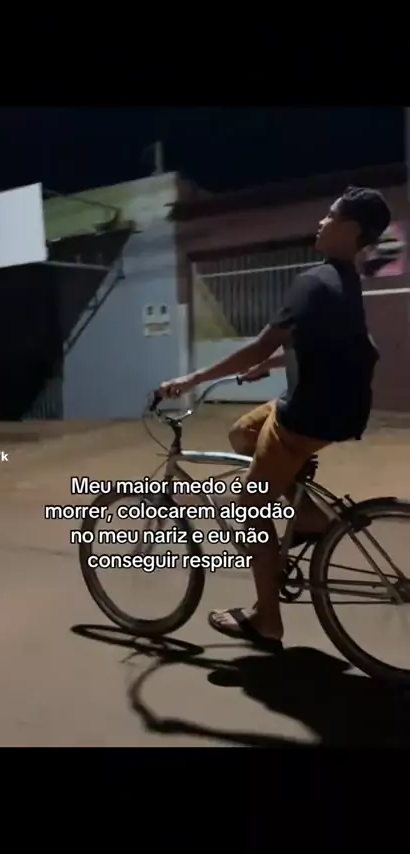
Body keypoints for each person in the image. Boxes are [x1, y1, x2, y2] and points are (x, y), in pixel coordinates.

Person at [158, 186, 391, 652]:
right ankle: (306, 514)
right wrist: (275, 364)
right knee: (241, 432)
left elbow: (260, 344)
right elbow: (344, 348)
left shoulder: (314, 281)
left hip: (306, 417)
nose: (321, 222)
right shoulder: (346, 283)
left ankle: (266, 620)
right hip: (338, 411)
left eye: (330, 216)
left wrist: (192, 379)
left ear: (350, 230)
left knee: (248, 507)